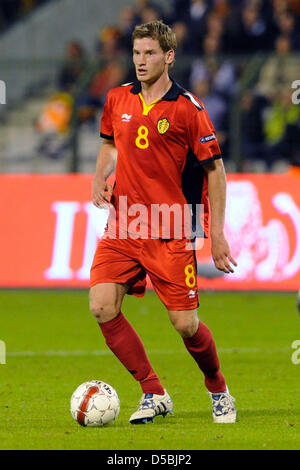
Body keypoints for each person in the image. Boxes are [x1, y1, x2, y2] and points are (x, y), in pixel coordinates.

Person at [90, 20, 237, 424]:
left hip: (170, 227)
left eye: (150, 53)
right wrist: (100, 176)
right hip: (123, 225)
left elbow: (216, 170)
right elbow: (107, 142)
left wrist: (217, 233)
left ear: (169, 56)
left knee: (185, 324)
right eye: (137, 53)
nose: (141, 61)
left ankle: (218, 388)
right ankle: (154, 392)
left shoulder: (188, 109)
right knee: (102, 307)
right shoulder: (117, 99)